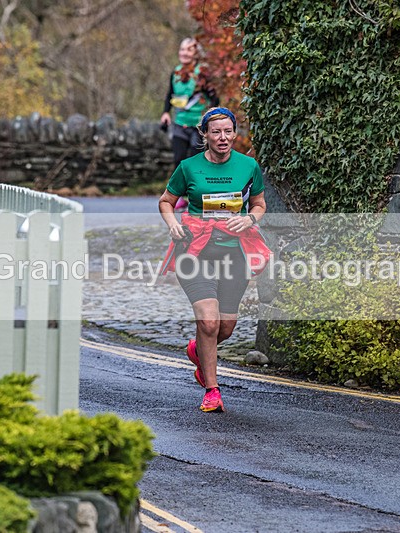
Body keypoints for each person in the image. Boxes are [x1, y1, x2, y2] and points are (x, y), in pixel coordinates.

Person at [159, 107, 271, 413]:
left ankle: (197, 350)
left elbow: (259, 204)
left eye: (227, 131)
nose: (222, 138)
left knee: (225, 328)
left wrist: (249, 219)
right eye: (216, 132)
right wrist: (173, 224)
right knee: (208, 321)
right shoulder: (188, 167)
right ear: (204, 135)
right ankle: (212, 389)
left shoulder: (248, 166)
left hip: (235, 252)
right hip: (194, 250)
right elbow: (166, 202)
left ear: (234, 133)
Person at [160, 38, 219, 210]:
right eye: (182, 49)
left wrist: (212, 115)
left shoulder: (202, 74)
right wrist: (165, 113)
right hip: (180, 123)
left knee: (196, 161)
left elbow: (214, 97)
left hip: (198, 126)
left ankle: (197, 197)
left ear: (196, 54)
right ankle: (180, 196)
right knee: (178, 160)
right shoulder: (176, 72)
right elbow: (169, 94)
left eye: (188, 50)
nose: (183, 53)